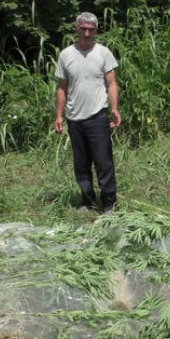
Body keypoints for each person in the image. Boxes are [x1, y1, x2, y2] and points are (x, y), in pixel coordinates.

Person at [54, 12, 121, 213]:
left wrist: (115, 108)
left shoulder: (103, 53)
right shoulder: (66, 55)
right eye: (83, 28)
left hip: (98, 116)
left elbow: (111, 84)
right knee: (81, 164)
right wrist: (59, 114)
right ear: (76, 29)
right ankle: (87, 201)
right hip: (74, 118)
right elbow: (62, 87)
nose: (86, 33)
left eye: (90, 29)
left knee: (103, 161)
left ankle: (109, 203)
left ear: (95, 31)